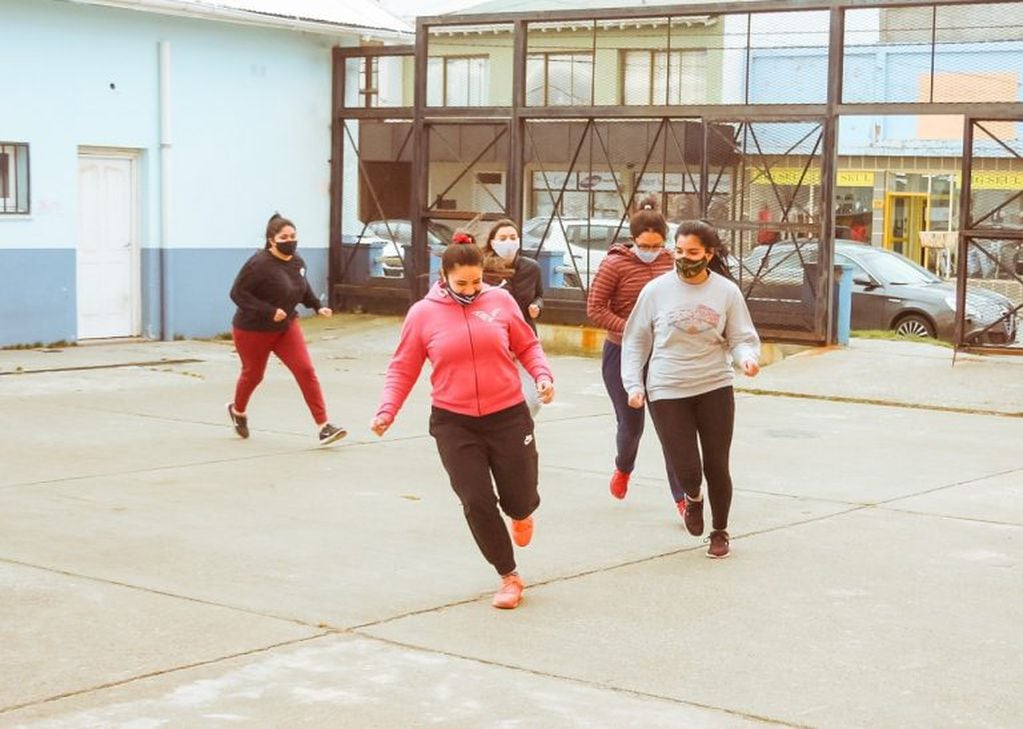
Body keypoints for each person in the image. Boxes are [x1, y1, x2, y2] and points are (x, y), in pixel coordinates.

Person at [370, 240, 555, 610]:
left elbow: (527, 345)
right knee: (475, 499)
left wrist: (542, 375)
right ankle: (508, 576)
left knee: (519, 495)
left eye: (476, 282)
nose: (471, 290)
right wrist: (387, 410)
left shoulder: (501, 302)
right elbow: (403, 367)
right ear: (444, 278)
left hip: (507, 414)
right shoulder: (423, 314)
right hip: (454, 422)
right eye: (462, 284)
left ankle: (520, 513)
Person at [621, 220, 761, 559]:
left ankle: (720, 530)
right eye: (679, 251)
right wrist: (633, 384)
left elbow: (741, 337)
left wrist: (747, 359)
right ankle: (693, 499)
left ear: (709, 254)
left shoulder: (726, 291)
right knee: (687, 467)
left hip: (714, 385)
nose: (684, 258)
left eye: (693, 252)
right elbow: (636, 339)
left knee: (717, 463)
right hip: (667, 388)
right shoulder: (656, 291)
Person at [586, 195, 684, 508]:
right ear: (633, 239)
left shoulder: (672, 262)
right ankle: (623, 467)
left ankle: (684, 498)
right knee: (631, 425)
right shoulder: (615, 264)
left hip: (664, 357)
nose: (651, 251)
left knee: (672, 429)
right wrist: (631, 329)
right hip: (622, 354)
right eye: (645, 245)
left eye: (657, 245)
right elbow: (596, 308)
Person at [227, 213, 346, 446]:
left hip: (286, 328)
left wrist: (317, 306)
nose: (290, 240)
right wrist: (267, 311)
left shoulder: (297, 262)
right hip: (253, 330)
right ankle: (237, 410)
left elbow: (302, 287)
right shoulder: (257, 264)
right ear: (272, 240)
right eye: (284, 237)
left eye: (293, 236)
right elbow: (237, 294)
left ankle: (324, 426)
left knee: (305, 370)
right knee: (253, 374)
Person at [481, 219, 545, 416]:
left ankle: (518, 429)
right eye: (503, 238)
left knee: (533, 401)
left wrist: (537, 306)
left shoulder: (531, 268)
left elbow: (539, 295)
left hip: (525, 339)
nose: (508, 242)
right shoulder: (484, 270)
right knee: (495, 399)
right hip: (495, 342)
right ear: (492, 242)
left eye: (513, 237)